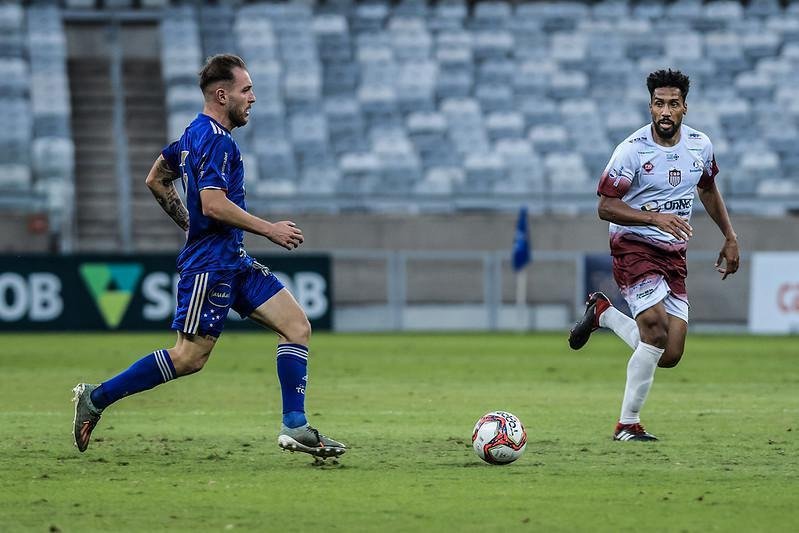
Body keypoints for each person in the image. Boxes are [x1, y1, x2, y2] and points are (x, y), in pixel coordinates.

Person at [72, 54, 346, 459]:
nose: (252, 98)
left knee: (296, 326)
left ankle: (295, 426)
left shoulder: (193, 135)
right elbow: (214, 205)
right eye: (246, 90)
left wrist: (188, 223)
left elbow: (157, 178)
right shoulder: (214, 139)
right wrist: (267, 228)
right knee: (188, 357)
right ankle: (95, 397)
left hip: (232, 260)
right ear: (223, 94)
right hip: (210, 267)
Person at [568, 69, 739, 441]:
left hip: (673, 254)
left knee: (670, 352)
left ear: (684, 108)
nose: (665, 110)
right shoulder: (631, 150)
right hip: (633, 246)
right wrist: (653, 218)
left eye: (673, 104)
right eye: (659, 103)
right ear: (650, 106)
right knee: (655, 328)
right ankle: (627, 423)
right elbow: (605, 206)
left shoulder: (700, 146)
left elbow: (708, 189)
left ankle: (604, 315)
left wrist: (729, 235)